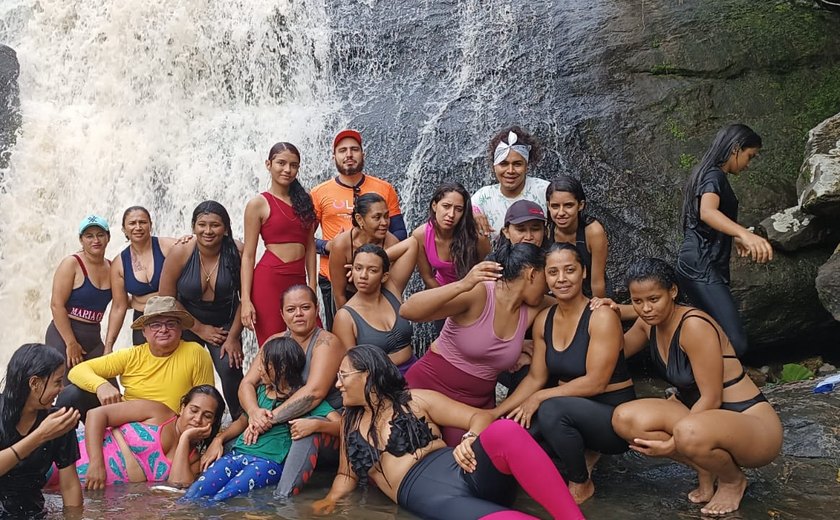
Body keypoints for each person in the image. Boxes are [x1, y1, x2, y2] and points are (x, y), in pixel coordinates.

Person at [313, 345, 584, 520]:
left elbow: (479, 417)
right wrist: (331, 500)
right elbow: (345, 474)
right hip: (430, 496)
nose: (338, 384)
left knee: (505, 430)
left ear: (367, 376)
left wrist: (471, 438)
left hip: (467, 470)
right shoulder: (349, 423)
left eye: (343, 375)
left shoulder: (416, 400)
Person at [611, 258, 782, 516]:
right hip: (701, 422)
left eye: (654, 299)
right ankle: (707, 467)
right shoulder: (648, 323)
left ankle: (733, 480)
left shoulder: (694, 326)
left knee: (687, 433)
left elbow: (711, 398)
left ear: (673, 292)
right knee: (624, 418)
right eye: (638, 302)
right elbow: (615, 351)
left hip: (751, 425)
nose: (646, 309)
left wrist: (671, 445)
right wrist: (604, 315)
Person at [494, 243, 635, 504]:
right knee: (515, 433)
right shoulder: (544, 319)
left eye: (569, 270)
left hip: (611, 416)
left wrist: (540, 398)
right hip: (571, 409)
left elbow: (596, 382)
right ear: (544, 277)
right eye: (553, 272)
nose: (561, 279)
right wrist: (498, 414)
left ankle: (581, 482)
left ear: (583, 272)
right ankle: (582, 452)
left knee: (551, 410)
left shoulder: (601, 315)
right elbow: (535, 378)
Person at [401, 242, 550, 446]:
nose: (550, 284)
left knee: (466, 464)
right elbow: (408, 311)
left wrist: (603, 304)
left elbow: (574, 304)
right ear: (532, 274)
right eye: (547, 276)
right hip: (429, 385)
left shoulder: (536, 306)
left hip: (476, 404)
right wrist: (463, 284)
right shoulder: (479, 293)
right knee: (409, 448)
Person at [186, 337, 340, 502]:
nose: (258, 369)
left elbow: (341, 424)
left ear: (282, 368)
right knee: (194, 492)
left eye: (265, 364)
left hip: (268, 463)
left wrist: (316, 425)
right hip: (237, 455)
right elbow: (241, 422)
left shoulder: (303, 402)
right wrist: (219, 439)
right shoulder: (260, 394)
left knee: (225, 497)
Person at [238, 284, 345, 497]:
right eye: (291, 309)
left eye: (305, 307)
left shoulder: (326, 342)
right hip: (278, 424)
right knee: (236, 443)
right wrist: (254, 413)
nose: (298, 314)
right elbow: (247, 384)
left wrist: (267, 421)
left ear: (316, 309)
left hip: (324, 423)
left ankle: (282, 502)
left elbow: (314, 393)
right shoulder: (274, 342)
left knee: (304, 433)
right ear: (281, 314)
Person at [677, 124, 773, 357]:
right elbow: (707, 212)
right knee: (734, 342)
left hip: (696, 263)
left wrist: (733, 234)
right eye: (750, 156)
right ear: (735, 149)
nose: (749, 164)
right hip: (702, 266)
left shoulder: (706, 172)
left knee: (712, 335)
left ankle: (691, 387)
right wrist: (744, 234)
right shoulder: (713, 175)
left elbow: (707, 218)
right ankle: (695, 384)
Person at [59, 296, 215, 421]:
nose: (163, 330)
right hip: (126, 423)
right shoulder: (132, 355)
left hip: (168, 429)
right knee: (71, 394)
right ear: (144, 332)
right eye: (155, 325)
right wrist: (101, 386)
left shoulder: (195, 352)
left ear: (180, 329)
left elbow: (207, 401)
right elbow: (77, 371)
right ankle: (60, 454)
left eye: (171, 324)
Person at [311, 129, 406, 330]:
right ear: (334, 156)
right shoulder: (319, 193)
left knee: (380, 332)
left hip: (375, 275)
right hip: (333, 276)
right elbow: (304, 239)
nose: (349, 155)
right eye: (342, 150)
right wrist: (328, 246)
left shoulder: (384, 188)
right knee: (341, 332)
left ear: (363, 153)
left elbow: (400, 234)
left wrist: (370, 260)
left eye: (354, 149)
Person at [160, 201, 245, 418]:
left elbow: (247, 299)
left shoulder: (238, 251)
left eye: (215, 225)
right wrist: (199, 328)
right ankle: (174, 421)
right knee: (181, 372)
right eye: (202, 225)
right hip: (186, 321)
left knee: (230, 368)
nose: (208, 231)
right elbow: (166, 298)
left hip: (226, 323)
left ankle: (240, 422)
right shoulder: (180, 252)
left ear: (225, 228)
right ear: (193, 227)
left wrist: (234, 336)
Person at [69, 385, 224, 489]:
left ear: (214, 422)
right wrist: (96, 464)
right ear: (183, 408)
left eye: (207, 416)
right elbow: (96, 414)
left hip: (91, 489)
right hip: (75, 456)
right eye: (194, 410)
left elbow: (177, 486)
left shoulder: (194, 459)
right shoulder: (158, 412)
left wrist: (185, 438)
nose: (197, 419)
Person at [241, 142, 318, 347]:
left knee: (311, 341)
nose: (287, 169)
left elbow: (310, 248)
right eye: (281, 163)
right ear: (269, 164)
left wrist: (312, 286)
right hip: (268, 280)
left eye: (293, 165)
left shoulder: (305, 201)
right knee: (273, 347)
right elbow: (248, 255)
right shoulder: (258, 203)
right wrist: (246, 301)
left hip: (298, 280)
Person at [0, 344, 81, 518]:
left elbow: (69, 486)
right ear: (34, 383)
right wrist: (40, 435)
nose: (61, 389)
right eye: (57, 382)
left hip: (32, 513)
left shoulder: (58, 422)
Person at [332, 240, 419, 375]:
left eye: (372, 270)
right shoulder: (345, 317)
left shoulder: (392, 287)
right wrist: (372, 262)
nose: (363, 276)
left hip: (415, 368)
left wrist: (377, 259)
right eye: (358, 268)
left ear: (384, 276)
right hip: (381, 381)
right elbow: (351, 369)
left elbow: (412, 244)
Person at [46, 215, 112, 379]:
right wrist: (70, 343)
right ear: (81, 240)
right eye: (89, 236)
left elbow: (122, 302)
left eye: (100, 234)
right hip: (65, 334)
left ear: (108, 237)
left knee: (110, 388)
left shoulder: (113, 266)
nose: (95, 240)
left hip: (93, 337)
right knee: (68, 391)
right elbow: (56, 305)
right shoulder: (72, 264)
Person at [105, 206, 179, 349]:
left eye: (142, 222)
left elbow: (198, 247)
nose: (138, 227)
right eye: (132, 223)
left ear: (150, 225)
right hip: (143, 322)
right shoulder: (119, 263)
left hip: (172, 318)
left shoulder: (168, 246)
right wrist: (108, 346)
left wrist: (188, 239)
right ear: (124, 229)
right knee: (144, 369)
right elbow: (119, 306)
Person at [472, 126, 549, 240]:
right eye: (503, 164)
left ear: (526, 166)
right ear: (494, 167)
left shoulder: (546, 190)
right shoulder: (482, 197)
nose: (510, 171)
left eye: (517, 164)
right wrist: (472, 214)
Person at [411, 182, 491, 290]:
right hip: (440, 291)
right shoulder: (420, 235)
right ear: (434, 206)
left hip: (472, 292)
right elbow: (428, 278)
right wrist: (446, 299)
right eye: (446, 206)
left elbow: (487, 272)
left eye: (458, 209)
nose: (451, 214)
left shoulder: (477, 237)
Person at [328, 193, 400, 310]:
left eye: (386, 216)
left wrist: (362, 268)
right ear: (359, 219)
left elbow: (393, 288)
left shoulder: (391, 244)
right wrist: (345, 321)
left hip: (380, 301)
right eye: (377, 217)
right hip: (347, 301)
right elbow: (338, 294)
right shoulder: (342, 245)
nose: (384, 223)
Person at [546, 175, 608, 298]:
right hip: (558, 294)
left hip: (589, 295)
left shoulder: (593, 232)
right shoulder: (546, 230)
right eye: (555, 206)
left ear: (580, 205)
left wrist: (596, 311)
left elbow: (597, 283)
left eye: (568, 205)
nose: (561, 213)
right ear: (548, 206)